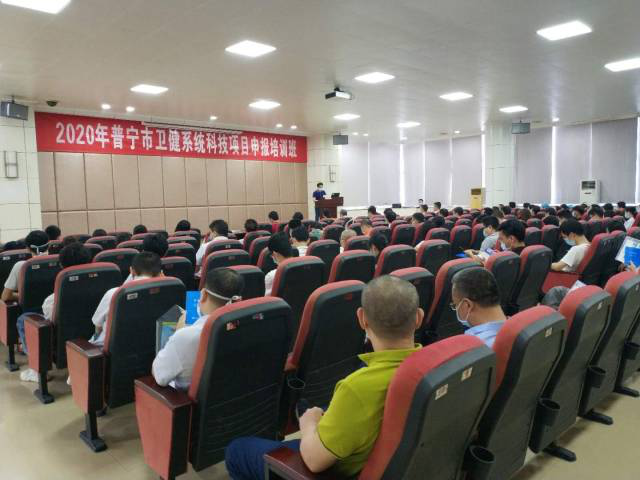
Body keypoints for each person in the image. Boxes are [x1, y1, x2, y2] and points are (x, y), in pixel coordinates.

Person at [225, 275, 423, 479]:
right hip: (375, 458)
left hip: (335, 468)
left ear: (362, 319)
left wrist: (308, 424)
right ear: (419, 317)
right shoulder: (429, 367)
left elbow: (314, 461)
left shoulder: (357, 388)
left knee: (238, 450)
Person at [152, 268, 244, 390]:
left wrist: (178, 332)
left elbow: (160, 376)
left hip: (186, 398)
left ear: (203, 294)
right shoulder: (246, 325)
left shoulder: (185, 336)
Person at [18, 242, 92, 382]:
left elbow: (51, 322)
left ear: (62, 266)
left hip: (63, 345)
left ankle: (37, 371)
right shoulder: (106, 285)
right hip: (93, 336)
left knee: (24, 319)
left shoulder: (52, 301)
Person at [90, 252, 164, 347]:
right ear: (160, 273)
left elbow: (98, 327)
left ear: (131, 271)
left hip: (111, 351)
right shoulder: (168, 293)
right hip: (150, 348)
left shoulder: (114, 293)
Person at [451, 268, 506, 347]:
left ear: (467, 305)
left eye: (455, 305)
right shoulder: (519, 328)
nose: (456, 308)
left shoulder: (472, 347)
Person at [1, 230, 50, 303]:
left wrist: (27, 295)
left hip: (32, 309)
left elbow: (5, 296)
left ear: (27, 248)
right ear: (48, 246)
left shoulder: (21, 266)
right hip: (53, 307)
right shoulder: (60, 261)